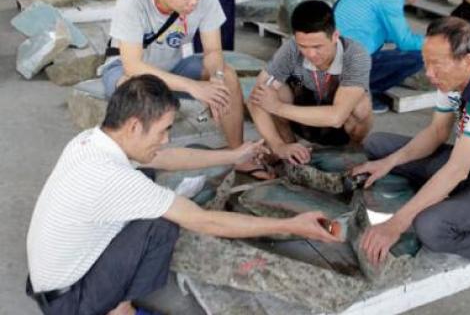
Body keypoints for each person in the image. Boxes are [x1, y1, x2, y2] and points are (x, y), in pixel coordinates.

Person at [25, 75, 340, 315]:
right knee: (161, 225)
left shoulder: (92, 141)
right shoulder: (113, 177)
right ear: (133, 126)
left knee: (147, 173)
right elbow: (205, 221)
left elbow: (165, 157)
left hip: (53, 282)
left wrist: (232, 156)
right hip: (71, 300)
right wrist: (291, 225)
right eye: (163, 129)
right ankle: (121, 308)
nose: (166, 139)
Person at [352, 17, 470, 275]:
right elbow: (436, 132)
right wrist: (388, 163)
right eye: (426, 62)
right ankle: (451, 201)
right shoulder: (452, 79)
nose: (429, 73)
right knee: (378, 145)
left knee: (430, 227)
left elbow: (456, 171)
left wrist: (396, 224)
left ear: (467, 61)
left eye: (436, 64)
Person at [101, 0, 270, 179]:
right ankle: (138, 165)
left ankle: (238, 154)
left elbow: (213, 51)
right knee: (139, 93)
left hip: (172, 67)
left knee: (227, 77)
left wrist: (216, 81)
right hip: (124, 71)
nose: (193, 2)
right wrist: (194, 87)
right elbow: (133, 66)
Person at [248, 1, 373, 164]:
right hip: (302, 115)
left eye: (317, 46)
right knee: (271, 92)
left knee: (361, 106)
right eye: (303, 46)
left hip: (338, 127)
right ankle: (289, 151)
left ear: (335, 36)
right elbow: (255, 99)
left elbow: (336, 117)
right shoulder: (291, 49)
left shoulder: (355, 55)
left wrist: (277, 107)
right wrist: (277, 145)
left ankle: (350, 153)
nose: (311, 54)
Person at [334, 0, 432, 113]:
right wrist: (434, 43)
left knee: (404, 49)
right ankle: (364, 93)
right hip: (346, 65)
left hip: (334, 54)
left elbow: (384, 32)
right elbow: (404, 41)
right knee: (418, 56)